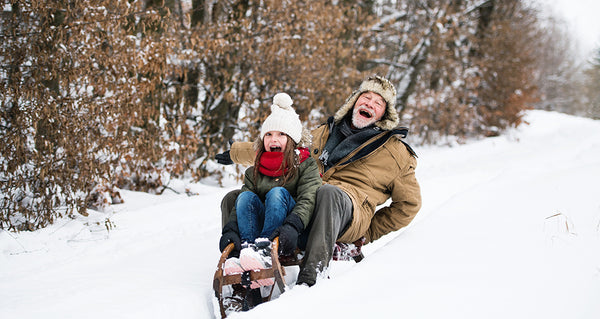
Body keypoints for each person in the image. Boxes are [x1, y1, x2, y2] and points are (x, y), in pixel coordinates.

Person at [217, 75, 422, 287]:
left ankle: (311, 277)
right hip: (307, 202)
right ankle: (241, 269)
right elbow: (283, 149)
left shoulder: (396, 153)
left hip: (348, 213)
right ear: (355, 101)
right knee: (236, 198)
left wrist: (369, 232)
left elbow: (409, 205)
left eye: (378, 102)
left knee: (328, 193)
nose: (369, 103)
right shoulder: (324, 132)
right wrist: (236, 152)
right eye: (366, 97)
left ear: (384, 113)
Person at [218, 93, 322, 289]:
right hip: (261, 223)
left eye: (281, 134)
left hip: (291, 229)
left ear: (292, 140)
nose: (274, 140)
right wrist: (231, 229)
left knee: (277, 193)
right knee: (246, 196)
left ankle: (264, 252)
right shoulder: (254, 171)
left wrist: (293, 225)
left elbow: (309, 199)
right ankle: (248, 251)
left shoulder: (305, 165)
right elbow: (244, 203)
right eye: (269, 134)